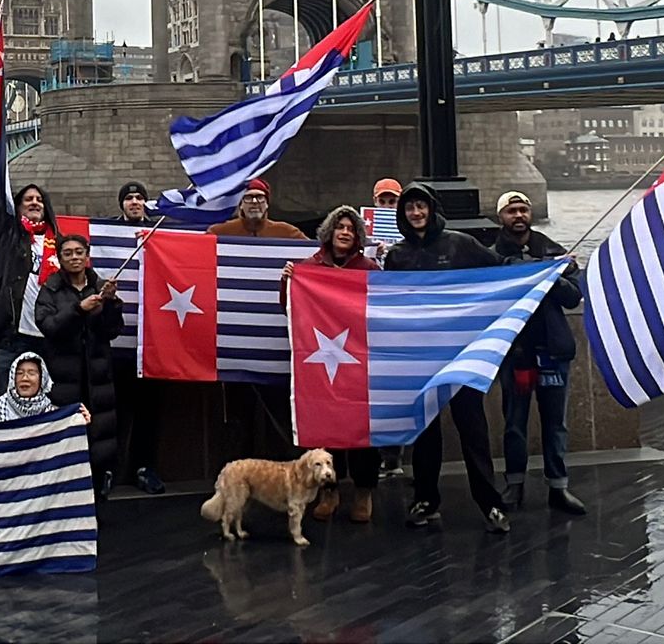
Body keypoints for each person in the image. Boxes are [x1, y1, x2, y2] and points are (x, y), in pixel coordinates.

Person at [384, 181, 510, 534]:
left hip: (462, 354)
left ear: (432, 208)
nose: (416, 213)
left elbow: (501, 269)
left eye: (421, 206)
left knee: (473, 429)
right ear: (402, 214)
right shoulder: (397, 255)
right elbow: (385, 302)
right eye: (409, 208)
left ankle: (490, 503)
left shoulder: (460, 243)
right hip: (420, 358)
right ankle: (425, 499)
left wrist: (545, 267)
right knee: (425, 433)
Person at [278, 206, 381, 523]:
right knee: (326, 426)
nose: (346, 232)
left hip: (359, 361)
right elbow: (291, 308)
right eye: (340, 227)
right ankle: (330, 491)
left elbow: (381, 309)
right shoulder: (310, 266)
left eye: (351, 228)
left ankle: (364, 491)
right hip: (322, 362)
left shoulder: (369, 268)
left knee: (363, 429)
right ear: (330, 231)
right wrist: (288, 284)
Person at [489, 191, 587, 515]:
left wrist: (551, 277)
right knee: (515, 423)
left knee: (555, 424)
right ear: (501, 216)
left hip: (553, 351)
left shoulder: (553, 251)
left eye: (523, 210)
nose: (518, 216)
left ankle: (558, 487)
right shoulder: (492, 256)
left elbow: (574, 296)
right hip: (516, 353)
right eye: (511, 211)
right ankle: (514, 484)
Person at [0, 127, 63, 387]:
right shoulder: (6, 231)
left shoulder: (62, 244)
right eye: (28, 199)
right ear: (18, 206)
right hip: (11, 334)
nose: (34, 202)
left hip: (50, 337)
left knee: (44, 403)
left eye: (39, 199)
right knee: (6, 399)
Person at [34, 234, 124, 499]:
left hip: (97, 374)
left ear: (87, 256)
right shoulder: (50, 288)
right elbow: (48, 326)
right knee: (66, 437)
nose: (74, 258)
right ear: (60, 259)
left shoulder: (99, 285)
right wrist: (78, 309)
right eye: (68, 253)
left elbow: (112, 331)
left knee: (99, 435)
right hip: (64, 376)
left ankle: (99, 490)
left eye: (79, 252)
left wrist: (111, 304)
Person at [113, 180, 166, 495]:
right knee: (114, 412)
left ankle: (145, 467)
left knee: (149, 411)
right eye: (129, 198)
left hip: (154, 341)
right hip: (117, 342)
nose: (135, 202)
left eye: (140, 198)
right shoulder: (106, 233)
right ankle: (109, 471)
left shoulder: (162, 234)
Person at [0, 350, 90, 424]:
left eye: (31, 373)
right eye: (19, 373)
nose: (25, 378)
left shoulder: (54, 415)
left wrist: (80, 421)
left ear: (42, 379)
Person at [208, 178, 307, 239]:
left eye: (260, 197)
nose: (254, 202)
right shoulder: (219, 232)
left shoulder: (288, 232)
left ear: (267, 204)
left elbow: (313, 256)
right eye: (248, 198)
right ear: (241, 204)